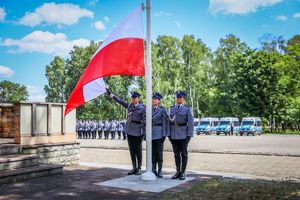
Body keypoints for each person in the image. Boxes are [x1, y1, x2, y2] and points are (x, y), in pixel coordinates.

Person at [107, 88, 145, 175]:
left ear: (138, 99)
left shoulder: (142, 108)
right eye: (132, 98)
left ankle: (139, 168)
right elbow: (120, 101)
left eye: (134, 98)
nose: (133, 99)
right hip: (129, 130)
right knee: (132, 150)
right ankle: (134, 167)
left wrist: (143, 133)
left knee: (138, 150)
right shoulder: (130, 106)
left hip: (138, 131)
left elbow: (145, 121)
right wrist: (111, 95)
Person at [169, 91, 194, 180]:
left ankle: (183, 172)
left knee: (184, 154)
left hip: (183, 135)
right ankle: (177, 171)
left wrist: (189, 136)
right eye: (177, 97)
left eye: (180, 97)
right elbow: (169, 122)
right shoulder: (171, 108)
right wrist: (169, 135)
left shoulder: (187, 109)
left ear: (183, 99)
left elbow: (191, 123)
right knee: (176, 154)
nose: (178, 99)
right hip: (174, 135)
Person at [151, 92, 169, 178]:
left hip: (159, 133)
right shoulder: (149, 109)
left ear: (159, 101)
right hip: (151, 133)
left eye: (155, 99)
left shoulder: (162, 110)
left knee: (159, 153)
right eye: (153, 99)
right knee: (152, 153)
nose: (153, 100)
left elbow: (165, 122)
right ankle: (153, 169)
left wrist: (164, 134)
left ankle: (160, 170)